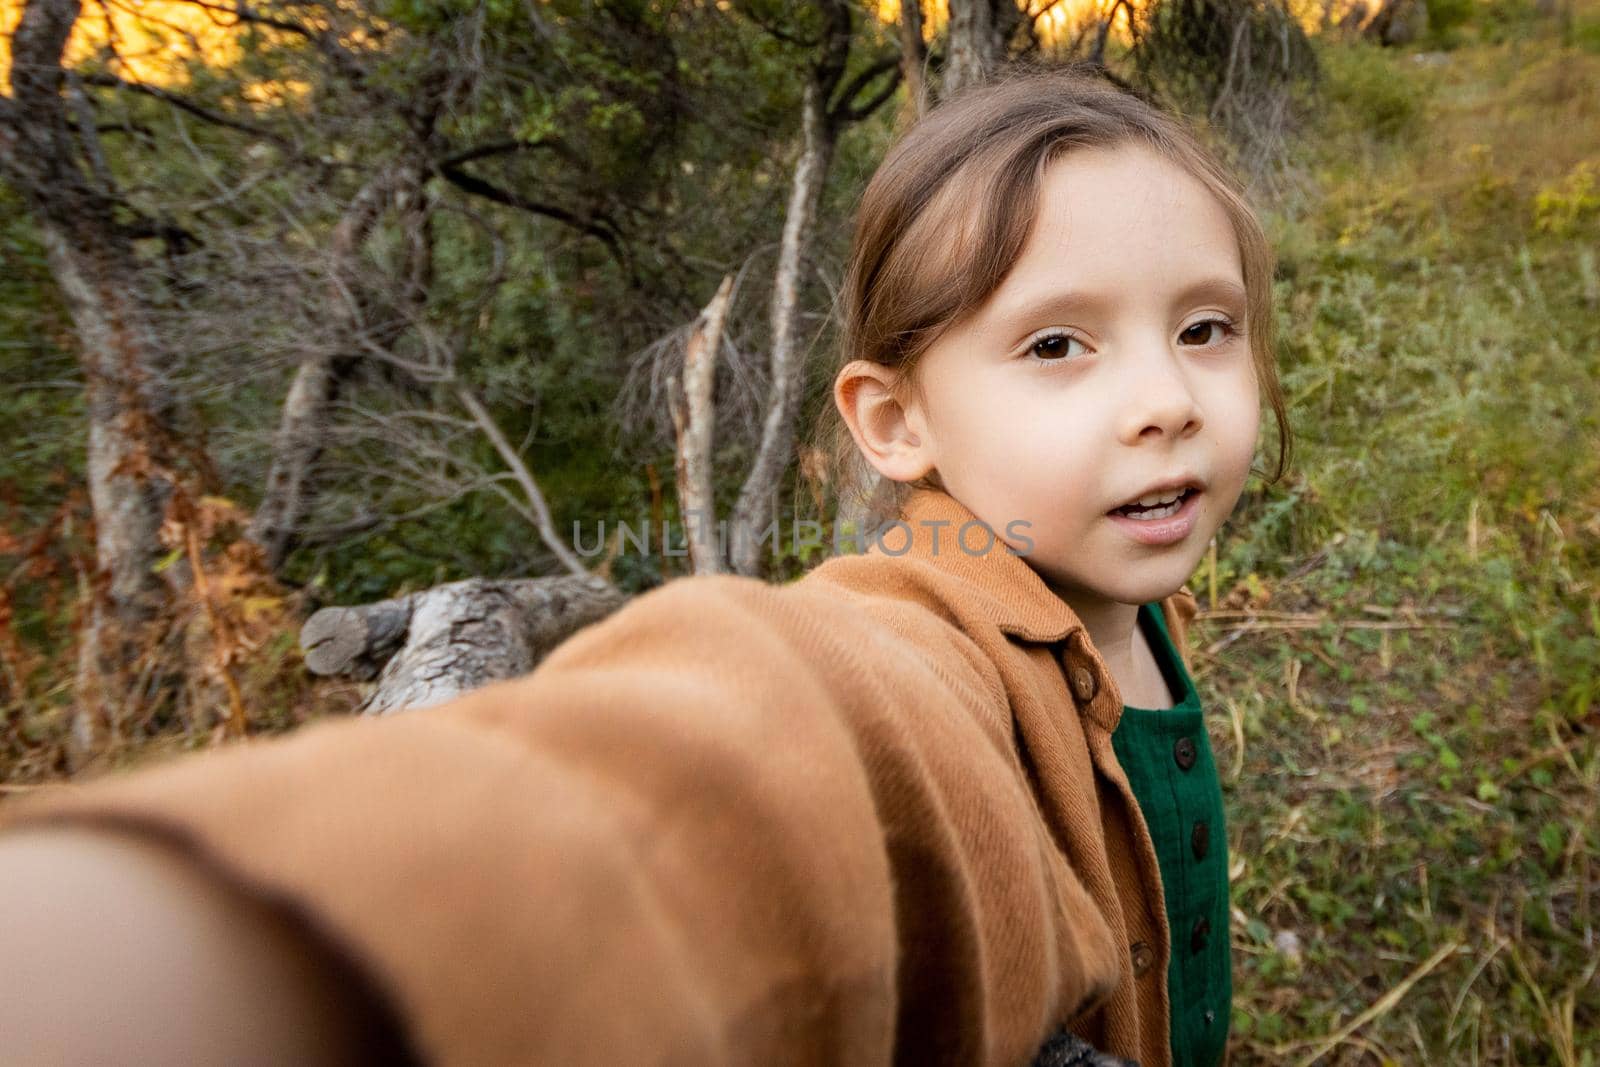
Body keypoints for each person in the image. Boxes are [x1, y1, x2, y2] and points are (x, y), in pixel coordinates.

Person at [0, 67, 1290, 1067]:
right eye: (1059, 344)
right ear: (898, 423)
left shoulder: (1118, 593)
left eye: (1203, 327)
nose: (1165, 400)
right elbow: (789, 752)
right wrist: (202, 944)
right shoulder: (927, 637)